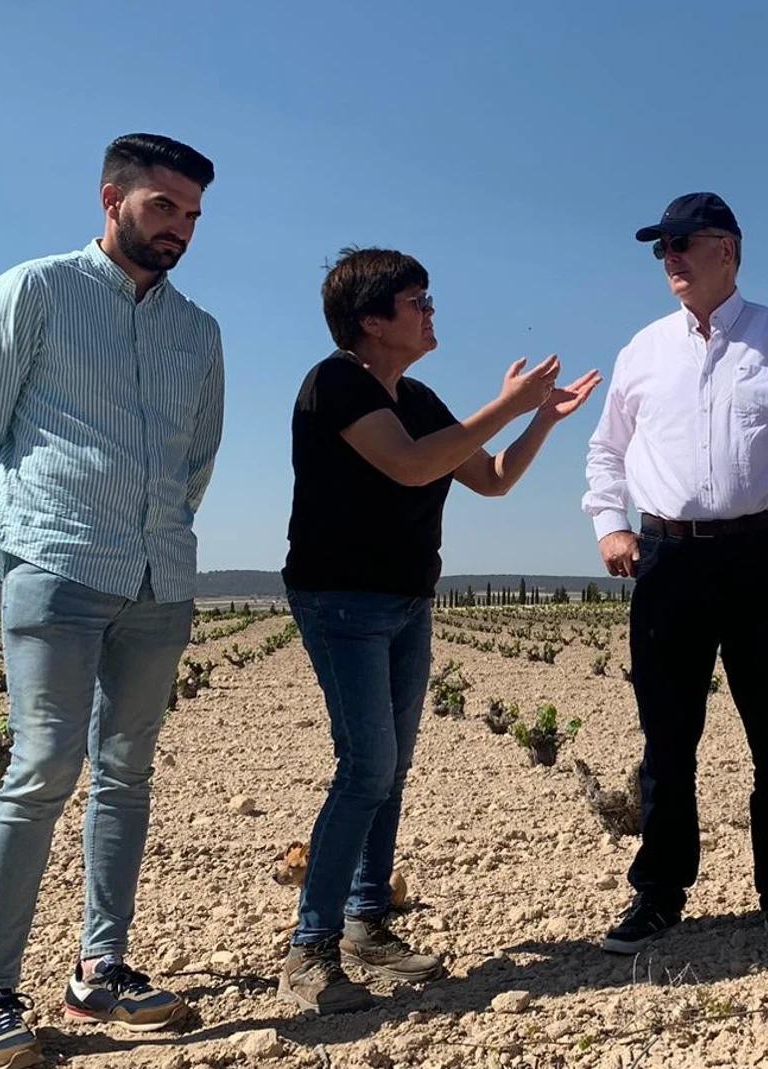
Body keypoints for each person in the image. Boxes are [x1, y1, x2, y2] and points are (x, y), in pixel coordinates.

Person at [0, 133, 224, 1069]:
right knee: (43, 764)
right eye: (162, 208)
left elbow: (197, 460)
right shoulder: (34, 292)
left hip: (157, 577)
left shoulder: (199, 331)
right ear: (113, 198)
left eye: (191, 214)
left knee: (128, 771)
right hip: (55, 567)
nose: (179, 228)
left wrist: (163, 533)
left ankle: (101, 968)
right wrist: (18, 543)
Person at [277, 247, 600, 1013]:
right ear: (371, 321)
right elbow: (414, 467)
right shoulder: (336, 384)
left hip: (406, 601)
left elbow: (488, 478)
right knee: (366, 766)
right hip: (341, 601)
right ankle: (311, 947)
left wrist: (540, 422)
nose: (431, 313)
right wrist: (511, 405)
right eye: (418, 301)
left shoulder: (415, 395)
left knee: (390, 767)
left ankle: (366, 923)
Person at [582, 192, 768, 954]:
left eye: (682, 243)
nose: (669, 258)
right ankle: (660, 892)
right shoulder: (642, 350)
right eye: (660, 248)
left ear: (727, 252)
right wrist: (609, 522)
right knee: (666, 738)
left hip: (760, 559)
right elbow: (605, 451)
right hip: (666, 560)